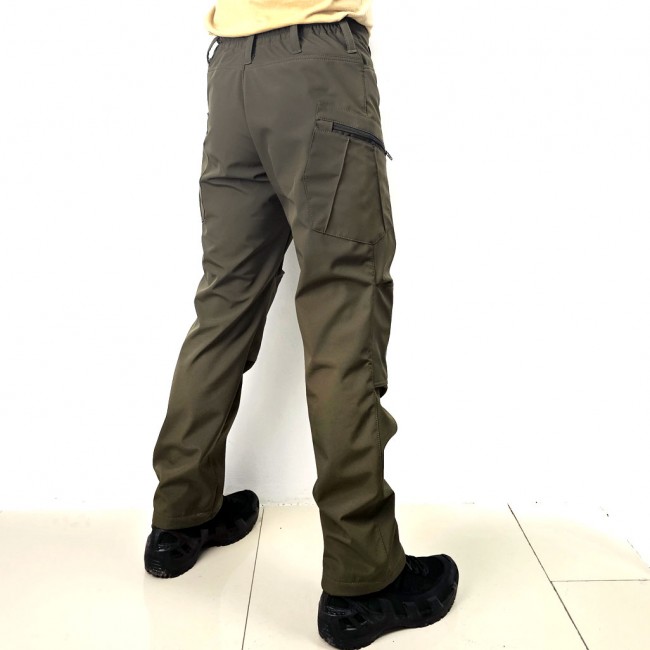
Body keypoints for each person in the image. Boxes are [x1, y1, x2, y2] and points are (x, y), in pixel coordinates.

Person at [143, 1, 459, 647]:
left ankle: (180, 516)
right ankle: (364, 578)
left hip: (232, 68)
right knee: (343, 309)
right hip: (315, 61)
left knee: (224, 301)